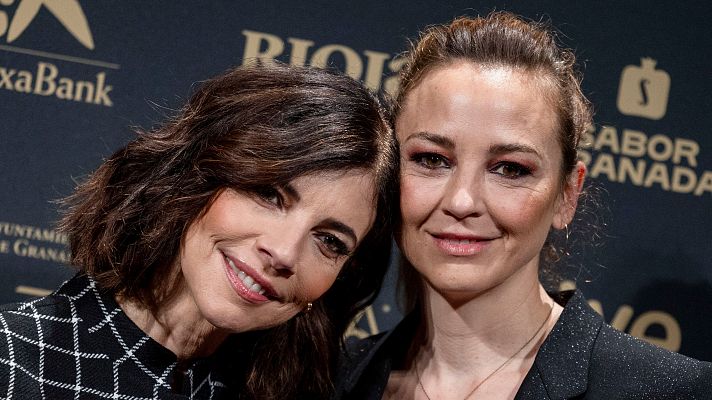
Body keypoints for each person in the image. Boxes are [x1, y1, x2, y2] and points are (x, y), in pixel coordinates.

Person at [336, 12, 712, 399]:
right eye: (432, 160)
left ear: (567, 195)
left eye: (510, 169)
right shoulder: (328, 378)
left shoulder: (675, 391)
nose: (462, 201)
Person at [0, 62, 397, 399]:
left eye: (329, 241)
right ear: (194, 178)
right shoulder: (13, 359)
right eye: (269, 195)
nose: (284, 252)